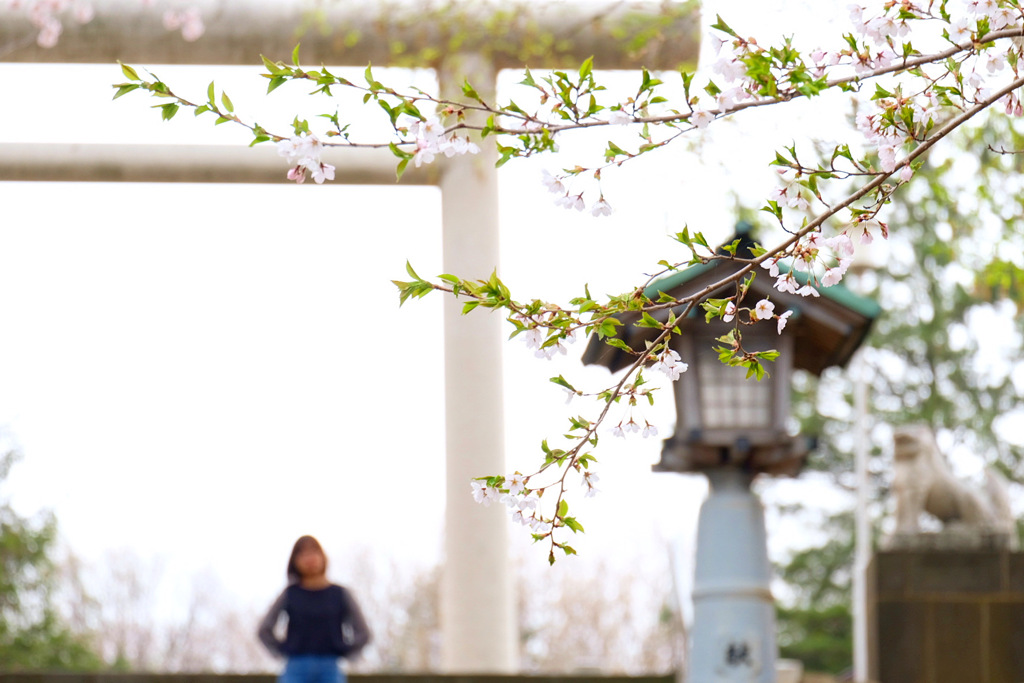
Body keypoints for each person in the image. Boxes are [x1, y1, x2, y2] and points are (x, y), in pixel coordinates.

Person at [258, 535, 371, 683]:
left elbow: (363, 632)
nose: (309, 558)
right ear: (294, 561)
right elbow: (264, 630)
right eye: (303, 554)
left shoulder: (340, 594)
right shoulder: (290, 594)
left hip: (330, 667)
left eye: (313, 552)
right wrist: (282, 650)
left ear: (323, 556)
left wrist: (346, 651)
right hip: (295, 667)